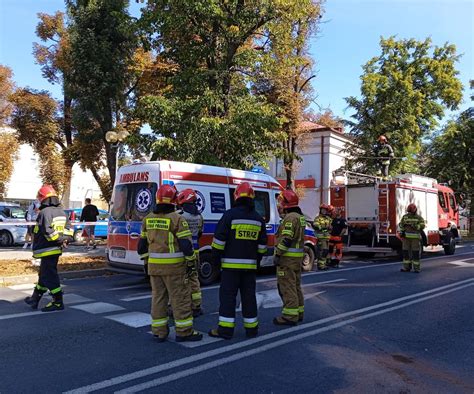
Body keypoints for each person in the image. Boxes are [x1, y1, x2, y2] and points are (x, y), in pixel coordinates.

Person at [137, 184, 202, 343]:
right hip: (175, 268)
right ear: (173, 200)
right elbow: (186, 246)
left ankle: (159, 331)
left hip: (154, 268)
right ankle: (184, 332)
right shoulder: (177, 219)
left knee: (158, 299)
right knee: (180, 299)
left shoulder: (148, 219)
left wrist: (147, 262)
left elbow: (141, 246)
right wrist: (191, 262)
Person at [209, 182, 267, 339]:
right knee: (249, 298)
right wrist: (256, 260)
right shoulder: (258, 219)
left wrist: (215, 261)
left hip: (229, 268)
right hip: (249, 268)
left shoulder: (229, 215)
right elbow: (262, 246)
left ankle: (225, 331)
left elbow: (219, 241)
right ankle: (252, 330)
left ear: (236, 196)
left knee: (228, 298)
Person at [24, 185, 74, 312]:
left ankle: (58, 302)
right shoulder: (62, 212)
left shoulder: (44, 213)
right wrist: (65, 239)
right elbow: (69, 229)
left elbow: (48, 232)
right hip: (55, 249)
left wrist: (59, 239)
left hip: (46, 250)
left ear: (42, 198)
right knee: (44, 275)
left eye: (39, 198)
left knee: (49, 276)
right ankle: (35, 299)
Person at [273, 189, 306, 326]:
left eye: (281, 201)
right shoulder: (299, 217)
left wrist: (277, 254)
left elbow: (286, 239)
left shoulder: (290, 218)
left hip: (287, 259)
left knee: (287, 286)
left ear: (287, 203)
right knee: (296, 286)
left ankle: (289, 316)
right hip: (296, 259)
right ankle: (298, 312)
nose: (279, 204)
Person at [177, 188, 204, 317]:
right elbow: (199, 234)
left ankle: (179, 306)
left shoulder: (179, 215)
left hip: (182, 252)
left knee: (181, 280)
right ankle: (196, 306)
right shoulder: (199, 216)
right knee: (194, 279)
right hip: (195, 251)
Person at [399, 203, 425, 273]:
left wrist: (416, 226)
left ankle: (415, 268)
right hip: (406, 238)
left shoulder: (418, 218)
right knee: (406, 253)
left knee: (414, 253)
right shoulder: (405, 217)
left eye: (411, 211)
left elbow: (422, 225)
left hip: (415, 239)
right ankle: (407, 268)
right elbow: (400, 225)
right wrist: (402, 232)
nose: (410, 213)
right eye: (409, 211)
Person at [312, 204, 334, 271]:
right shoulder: (317, 218)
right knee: (322, 251)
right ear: (320, 210)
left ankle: (323, 264)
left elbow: (332, 226)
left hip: (327, 237)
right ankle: (320, 265)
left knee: (326, 251)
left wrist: (330, 228)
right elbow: (316, 226)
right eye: (323, 210)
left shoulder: (328, 219)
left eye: (325, 210)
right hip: (320, 238)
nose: (324, 211)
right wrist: (325, 227)